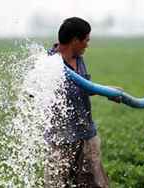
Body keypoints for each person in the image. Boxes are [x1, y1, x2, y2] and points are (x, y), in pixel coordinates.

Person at [44, 17, 109, 188]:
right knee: (57, 184)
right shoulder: (48, 63)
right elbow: (34, 94)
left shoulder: (79, 59)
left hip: (86, 135)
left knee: (95, 183)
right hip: (60, 140)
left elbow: (84, 88)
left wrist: (109, 91)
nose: (87, 44)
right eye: (86, 40)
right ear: (74, 40)